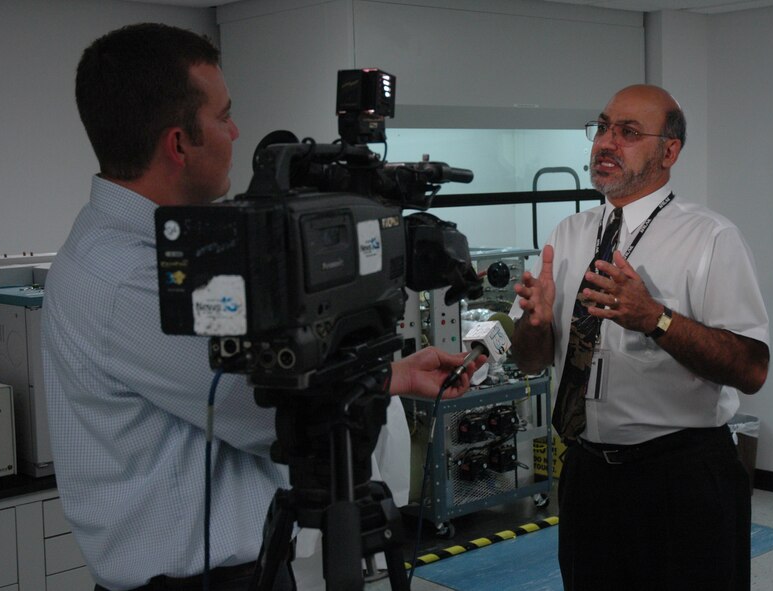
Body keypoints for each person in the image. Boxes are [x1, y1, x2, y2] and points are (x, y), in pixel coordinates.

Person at [42, 23, 485, 591]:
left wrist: (395, 372)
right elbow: (268, 413)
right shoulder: (127, 280)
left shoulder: (166, 249)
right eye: (223, 116)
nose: (236, 131)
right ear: (178, 144)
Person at [511, 85, 769, 591]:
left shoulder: (711, 239)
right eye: (603, 127)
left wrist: (657, 319)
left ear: (669, 151)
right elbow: (530, 361)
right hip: (587, 476)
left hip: (682, 478)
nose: (606, 142)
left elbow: (751, 368)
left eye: (628, 133)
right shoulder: (568, 234)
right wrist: (534, 325)